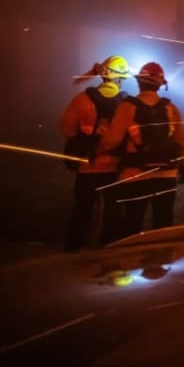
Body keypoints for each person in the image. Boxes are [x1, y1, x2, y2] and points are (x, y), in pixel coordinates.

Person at [98, 62, 184, 244]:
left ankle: (133, 258)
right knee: (164, 222)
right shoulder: (170, 108)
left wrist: (102, 138)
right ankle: (164, 256)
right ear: (160, 85)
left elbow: (111, 141)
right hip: (167, 174)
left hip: (135, 174)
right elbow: (182, 141)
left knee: (133, 222)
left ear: (139, 83)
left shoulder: (127, 107)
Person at [59, 55, 131, 251]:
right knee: (113, 213)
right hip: (114, 169)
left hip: (87, 168)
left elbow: (67, 129)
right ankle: (107, 252)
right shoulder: (126, 104)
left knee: (81, 211)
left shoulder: (82, 99)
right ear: (120, 78)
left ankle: (72, 251)